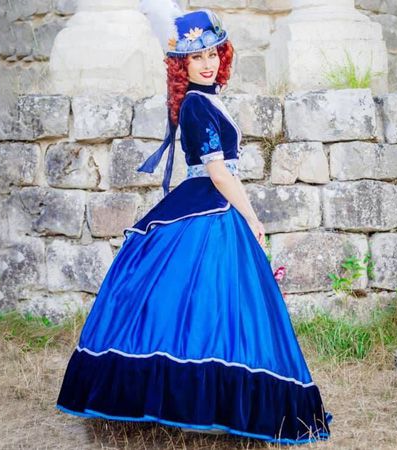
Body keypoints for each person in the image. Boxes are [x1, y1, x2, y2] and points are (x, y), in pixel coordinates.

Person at [56, 2, 333, 445]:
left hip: (213, 205)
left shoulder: (205, 101)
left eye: (211, 54)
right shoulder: (196, 106)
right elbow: (219, 173)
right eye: (196, 57)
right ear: (181, 65)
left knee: (210, 307)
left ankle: (208, 401)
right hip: (209, 205)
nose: (206, 63)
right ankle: (187, 399)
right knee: (195, 306)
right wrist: (252, 215)